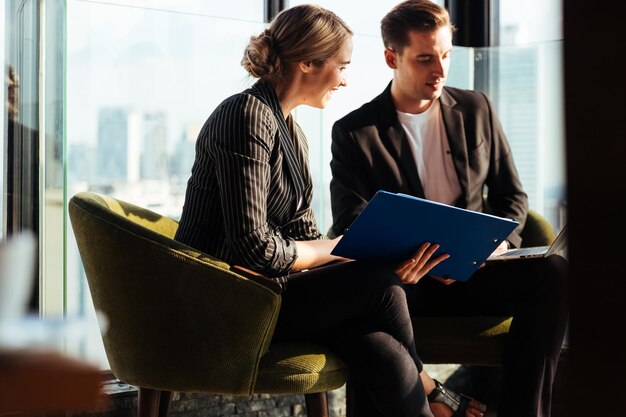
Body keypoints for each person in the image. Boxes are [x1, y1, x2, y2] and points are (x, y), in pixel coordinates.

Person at [175, 4, 486, 417]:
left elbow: (304, 234)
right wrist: (343, 250)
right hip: (229, 303)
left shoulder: (290, 131)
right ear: (307, 63)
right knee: (380, 284)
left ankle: (429, 393)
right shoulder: (245, 115)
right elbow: (253, 247)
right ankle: (431, 390)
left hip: (268, 292)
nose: (344, 80)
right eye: (341, 66)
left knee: (381, 350)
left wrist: (367, 252)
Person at [329, 1, 569, 417]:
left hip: (479, 271)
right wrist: (404, 259)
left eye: (445, 56)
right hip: (409, 284)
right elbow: (351, 219)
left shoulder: (476, 108)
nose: (439, 70)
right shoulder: (355, 131)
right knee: (365, 299)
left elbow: (513, 197)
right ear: (392, 58)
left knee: (553, 274)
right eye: (425, 59)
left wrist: (497, 244)